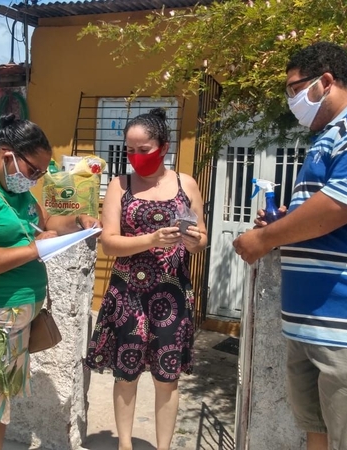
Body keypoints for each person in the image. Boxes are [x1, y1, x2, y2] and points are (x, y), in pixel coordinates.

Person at [233, 42, 347, 450]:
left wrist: (264, 238)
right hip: (313, 320)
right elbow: (322, 216)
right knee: (315, 433)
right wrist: (284, 224)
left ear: (326, 81)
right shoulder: (327, 137)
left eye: (294, 88)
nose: (291, 100)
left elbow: (340, 206)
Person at [0, 114, 100, 450]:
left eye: (40, 173)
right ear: (7, 154)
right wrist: (32, 251)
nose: (35, 179)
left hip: (14, 322)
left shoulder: (13, 189)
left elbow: (43, 223)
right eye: (33, 171)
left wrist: (78, 222)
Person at [84, 108, 208, 450]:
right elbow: (109, 242)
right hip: (129, 296)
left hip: (173, 296)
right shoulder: (119, 186)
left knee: (167, 378)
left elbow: (201, 238)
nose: (136, 157)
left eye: (144, 149)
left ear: (164, 147)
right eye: (131, 150)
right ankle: (125, 445)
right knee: (126, 375)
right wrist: (152, 240)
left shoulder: (187, 184)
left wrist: (193, 240)